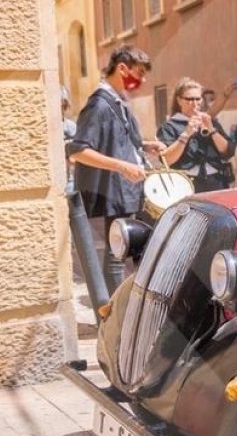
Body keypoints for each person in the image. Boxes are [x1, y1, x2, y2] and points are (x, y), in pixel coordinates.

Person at [67, 44, 166, 293]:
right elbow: (79, 151)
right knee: (116, 257)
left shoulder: (116, 102)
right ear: (122, 68)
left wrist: (144, 145)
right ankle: (115, 317)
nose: (142, 80)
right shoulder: (99, 105)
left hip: (129, 191)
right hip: (114, 192)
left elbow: (113, 141)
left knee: (132, 251)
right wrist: (122, 166)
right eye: (139, 73)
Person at [157, 77, 236, 193]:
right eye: (189, 99)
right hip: (187, 184)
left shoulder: (210, 121)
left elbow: (228, 152)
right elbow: (166, 160)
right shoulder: (169, 126)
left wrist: (212, 129)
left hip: (217, 181)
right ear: (179, 100)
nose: (194, 103)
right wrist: (186, 134)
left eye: (197, 99)